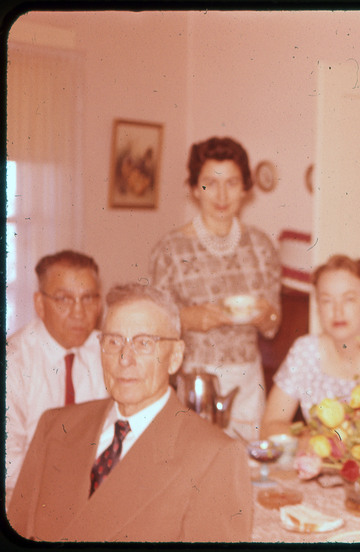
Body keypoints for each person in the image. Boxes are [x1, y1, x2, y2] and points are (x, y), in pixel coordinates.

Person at [7, 284, 253, 542]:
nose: (125, 358)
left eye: (144, 343)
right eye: (113, 341)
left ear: (176, 357)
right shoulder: (56, 425)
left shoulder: (214, 456)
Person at [150, 136, 281, 439]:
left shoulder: (261, 247)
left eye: (232, 183)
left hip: (248, 381)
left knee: (246, 471)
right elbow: (154, 327)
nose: (222, 194)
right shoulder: (170, 250)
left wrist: (265, 315)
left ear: (246, 189)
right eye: (210, 182)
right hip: (194, 381)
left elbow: (273, 327)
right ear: (195, 189)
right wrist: (188, 319)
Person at [261, 254, 360, 436]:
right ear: (318, 307)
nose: (337, 311)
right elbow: (269, 426)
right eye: (327, 301)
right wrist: (309, 440)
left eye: (349, 299)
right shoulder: (305, 352)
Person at [5, 250, 109, 492]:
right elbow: (8, 464)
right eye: (64, 299)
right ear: (40, 304)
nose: (78, 313)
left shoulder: (109, 352)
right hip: (28, 497)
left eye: (88, 299)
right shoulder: (14, 363)